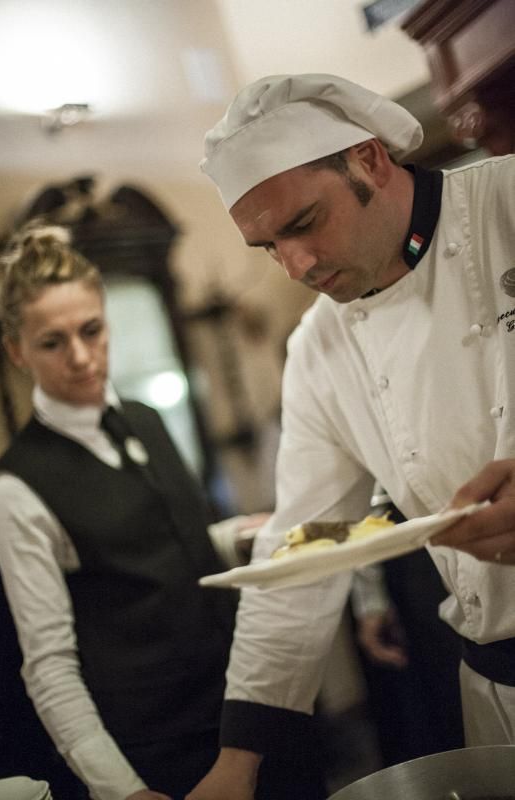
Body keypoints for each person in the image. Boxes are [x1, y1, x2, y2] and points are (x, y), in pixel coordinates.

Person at [184, 73, 515, 798]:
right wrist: (235, 766)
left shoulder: (505, 205)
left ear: (367, 159)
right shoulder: (317, 350)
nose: (295, 266)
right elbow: (304, 550)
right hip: (492, 694)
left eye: (302, 223)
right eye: (267, 247)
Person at [0, 223, 283, 800]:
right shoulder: (16, 489)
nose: (80, 356)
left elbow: (158, 546)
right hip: (155, 750)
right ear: (17, 350)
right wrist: (121, 790)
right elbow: (48, 667)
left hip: (241, 709)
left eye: (91, 330)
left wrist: (236, 536)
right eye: (52, 341)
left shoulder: (145, 417)